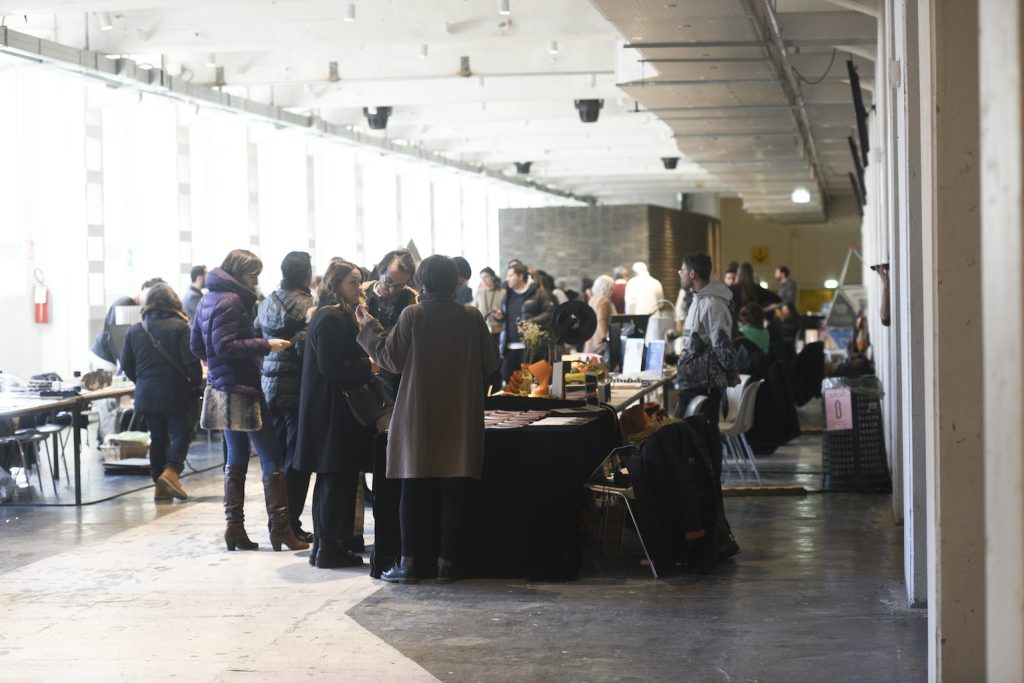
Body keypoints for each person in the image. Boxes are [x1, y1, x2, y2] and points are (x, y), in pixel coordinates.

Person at [356, 255, 501, 583]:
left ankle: (408, 565)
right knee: (453, 490)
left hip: (417, 413)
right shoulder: (472, 316)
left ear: (421, 282)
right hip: (459, 413)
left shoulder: (413, 314)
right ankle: (446, 564)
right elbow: (491, 361)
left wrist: (369, 328)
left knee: (413, 488)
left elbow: (390, 360)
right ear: (454, 282)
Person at [189, 249, 309, 553]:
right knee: (272, 457)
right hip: (242, 387)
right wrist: (266, 345)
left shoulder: (208, 297)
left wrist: (215, 366)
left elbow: (196, 345)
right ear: (239, 272)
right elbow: (224, 344)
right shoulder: (231, 300)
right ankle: (281, 529)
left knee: (236, 459)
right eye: (252, 274)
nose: (256, 280)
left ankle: (235, 528)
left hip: (222, 387)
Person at [294, 259, 375, 569]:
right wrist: (369, 365)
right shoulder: (330, 317)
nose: (359, 287)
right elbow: (331, 366)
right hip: (331, 412)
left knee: (334, 481)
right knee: (335, 480)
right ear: (336, 284)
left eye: (359, 282)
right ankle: (329, 549)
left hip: (329, 410)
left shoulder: (336, 314)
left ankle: (329, 547)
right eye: (353, 282)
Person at [119, 283, 202, 501]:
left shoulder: (135, 330)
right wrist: (194, 384)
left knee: (157, 439)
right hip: (175, 392)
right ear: (173, 301)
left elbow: (126, 363)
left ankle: (160, 485)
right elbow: (191, 361)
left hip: (146, 394)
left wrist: (142, 381)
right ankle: (172, 471)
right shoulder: (181, 327)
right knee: (182, 434)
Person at [257, 251, 316, 543]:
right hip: (297, 388)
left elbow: (257, 337)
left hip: (269, 386)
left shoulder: (266, 302)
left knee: (275, 457)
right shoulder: (309, 305)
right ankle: (290, 521)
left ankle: (276, 521)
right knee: (298, 458)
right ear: (306, 274)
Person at [90, 277, 165, 442]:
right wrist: (124, 364)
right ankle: (111, 445)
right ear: (143, 289)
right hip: (104, 359)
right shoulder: (123, 304)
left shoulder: (139, 307)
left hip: (114, 359)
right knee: (108, 403)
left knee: (111, 406)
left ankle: (110, 441)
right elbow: (116, 339)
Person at [676, 253, 740, 427]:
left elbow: (722, 343)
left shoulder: (713, 304)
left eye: (682, 270)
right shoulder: (698, 300)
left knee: (704, 438)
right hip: (692, 382)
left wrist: (732, 373)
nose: (680, 274)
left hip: (705, 384)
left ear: (692, 274)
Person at [494, 261, 555, 381]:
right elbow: (504, 321)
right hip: (509, 349)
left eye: (510, 275)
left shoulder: (538, 293)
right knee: (509, 383)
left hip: (531, 349)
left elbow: (550, 312)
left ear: (520, 276)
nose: (507, 279)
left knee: (531, 384)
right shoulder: (506, 297)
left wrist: (531, 322)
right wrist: (499, 317)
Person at [584, 275, 615, 354]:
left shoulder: (593, 299)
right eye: (611, 287)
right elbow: (602, 321)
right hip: (599, 341)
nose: (613, 290)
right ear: (607, 288)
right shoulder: (604, 301)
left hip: (591, 338)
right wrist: (605, 341)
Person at [474, 266, 505, 345]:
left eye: (486, 277)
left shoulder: (502, 292)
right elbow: (474, 309)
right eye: (481, 278)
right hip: (482, 329)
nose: (483, 280)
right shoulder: (479, 292)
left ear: (493, 277)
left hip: (499, 330)